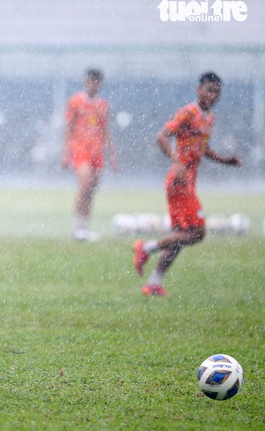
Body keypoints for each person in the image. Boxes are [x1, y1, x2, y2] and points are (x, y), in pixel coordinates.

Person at [133, 72, 241, 297]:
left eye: (216, 92)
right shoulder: (188, 113)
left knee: (179, 237)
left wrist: (225, 160)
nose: (212, 95)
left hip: (188, 183)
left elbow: (203, 148)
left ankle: (153, 283)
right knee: (198, 233)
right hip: (179, 182)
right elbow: (161, 136)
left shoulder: (209, 118)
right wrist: (177, 162)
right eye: (208, 90)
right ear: (198, 90)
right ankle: (146, 247)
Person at [62, 68, 118, 242]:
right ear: (86, 81)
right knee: (85, 185)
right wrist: (65, 153)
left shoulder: (102, 105)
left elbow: (105, 130)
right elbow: (69, 128)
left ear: (100, 83)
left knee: (92, 188)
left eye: (97, 82)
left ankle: (84, 227)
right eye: (91, 81)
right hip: (80, 149)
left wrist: (112, 154)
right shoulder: (75, 102)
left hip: (97, 151)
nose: (93, 85)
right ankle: (77, 227)